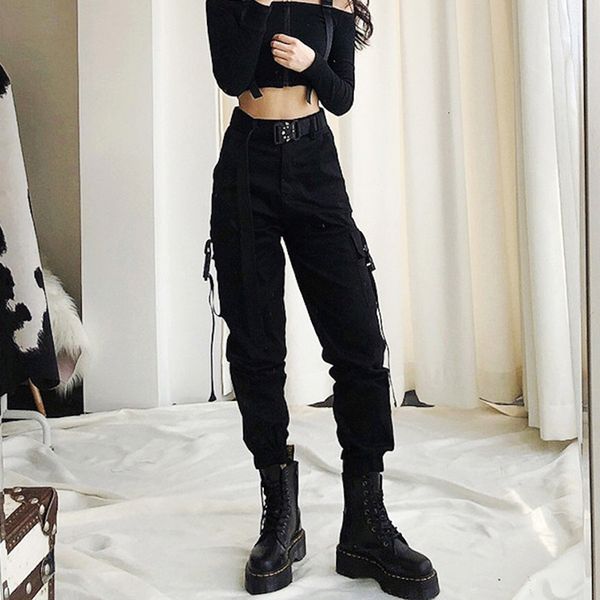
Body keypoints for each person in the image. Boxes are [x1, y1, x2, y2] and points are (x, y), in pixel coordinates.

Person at [204, 1, 439, 598]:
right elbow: (230, 76)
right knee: (256, 347)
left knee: (359, 343)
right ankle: (280, 518)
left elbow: (342, 97)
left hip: (314, 162)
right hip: (246, 166)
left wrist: (311, 63)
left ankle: (366, 524)